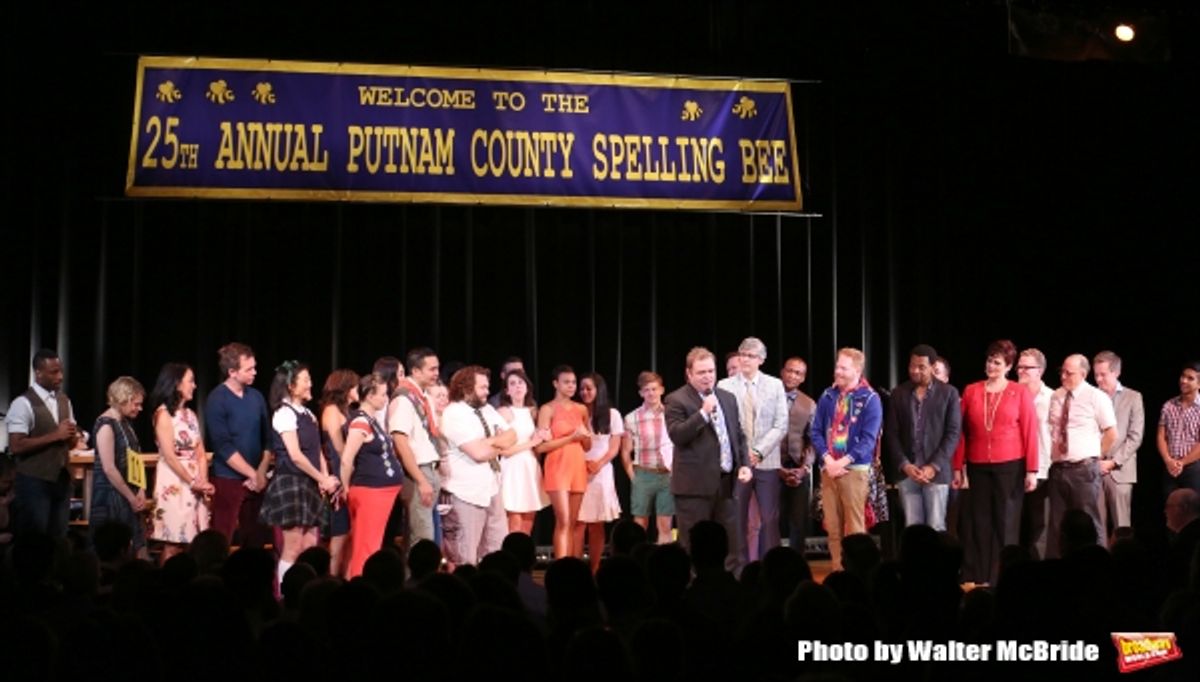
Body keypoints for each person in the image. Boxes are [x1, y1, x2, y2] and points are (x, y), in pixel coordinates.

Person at [951, 340, 1037, 585]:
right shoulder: (971, 390)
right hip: (978, 464)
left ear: (1008, 366)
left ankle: (1005, 577)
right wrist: (958, 466)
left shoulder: (1019, 392)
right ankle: (981, 575)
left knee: (1006, 521)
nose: (992, 366)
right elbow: (961, 432)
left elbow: (1030, 431)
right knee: (980, 520)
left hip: (1010, 464)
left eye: (997, 362)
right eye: (989, 360)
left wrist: (1031, 469)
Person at [665, 347, 747, 572]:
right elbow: (678, 435)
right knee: (693, 547)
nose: (708, 376)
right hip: (694, 488)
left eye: (711, 371)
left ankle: (732, 591)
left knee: (731, 545)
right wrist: (702, 414)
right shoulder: (676, 399)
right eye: (701, 372)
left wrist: (744, 465)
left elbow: (738, 436)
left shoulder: (727, 398)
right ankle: (693, 593)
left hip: (725, 484)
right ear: (689, 374)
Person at [259, 361, 341, 584]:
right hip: (291, 483)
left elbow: (318, 452)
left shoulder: (307, 414)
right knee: (293, 546)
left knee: (308, 546)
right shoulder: (284, 414)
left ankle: (306, 589)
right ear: (291, 386)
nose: (310, 384)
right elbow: (295, 455)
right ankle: (286, 593)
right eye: (305, 380)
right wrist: (321, 478)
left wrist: (325, 478)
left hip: (310, 483)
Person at [718, 337, 788, 568]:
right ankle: (740, 568)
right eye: (742, 354)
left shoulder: (775, 384)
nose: (745, 359)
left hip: (766, 461)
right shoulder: (724, 386)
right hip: (739, 463)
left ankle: (772, 567)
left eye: (751, 355)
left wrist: (758, 451)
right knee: (737, 517)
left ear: (761, 360)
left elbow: (781, 424)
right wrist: (742, 455)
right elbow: (724, 426)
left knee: (769, 518)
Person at [811, 348, 882, 571]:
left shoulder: (870, 398)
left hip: (854, 470)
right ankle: (837, 573)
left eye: (843, 368)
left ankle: (859, 575)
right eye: (837, 366)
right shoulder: (827, 395)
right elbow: (815, 432)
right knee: (833, 528)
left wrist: (842, 463)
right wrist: (827, 460)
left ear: (857, 370)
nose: (837, 371)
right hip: (828, 469)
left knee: (855, 528)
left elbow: (869, 441)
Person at [439, 365, 516, 566]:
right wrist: (496, 441)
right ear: (466, 389)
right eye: (482, 387)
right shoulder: (454, 413)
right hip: (466, 495)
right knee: (466, 558)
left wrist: (488, 442)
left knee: (498, 552)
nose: (487, 392)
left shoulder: (488, 410)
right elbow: (479, 454)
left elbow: (512, 436)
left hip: (492, 489)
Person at [1046, 354, 1117, 558]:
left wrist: (1095, 455)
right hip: (1059, 468)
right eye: (1062, 371)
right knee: (1058, 524)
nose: (1064, 376)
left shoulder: (1096, 397)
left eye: (1069, 373)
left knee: (1090, 520)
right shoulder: (1057, 395)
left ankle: (1098, 567)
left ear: (1083, 374)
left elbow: (1112, 433)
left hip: (1083, 469)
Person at [885, 344, 962, 532]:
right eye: (912, 366)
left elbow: (953, 434)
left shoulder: (949, 393)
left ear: (932, 367)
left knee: (936, 527)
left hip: (936, 473)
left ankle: (936, 563)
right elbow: (891, 433)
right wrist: (904, 464)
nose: (915, 371)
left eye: (921, 367)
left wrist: (933, 466)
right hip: (907, 472)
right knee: (913, 529)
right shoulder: (899, 393)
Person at [5, 349, 80, 539]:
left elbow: (68, 442)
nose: (60, 376)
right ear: (38, 373)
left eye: (61, 371)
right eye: (54, 372)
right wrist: (56, 435)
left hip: (61, 480)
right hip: (34, 481)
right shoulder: (23, 403)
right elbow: (16, 446)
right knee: (36, 538)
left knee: (59, 537)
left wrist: (72, 438)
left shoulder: (65, 401)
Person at [205, 342, 272, 546]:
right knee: (222, 538)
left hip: (256, 481)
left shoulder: (256, 397)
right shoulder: (217, 399)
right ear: (232, 372)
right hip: (228, 479)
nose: (255, 372)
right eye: (249, 369)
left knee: (255, 539)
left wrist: (260, 473)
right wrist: (252, 474)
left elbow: (268, 439)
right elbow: (223, 446)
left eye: (254, 366)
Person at [339, 372, 403, 578]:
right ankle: (361, 586)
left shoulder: (371, 420)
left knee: (370, 544)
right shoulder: (361, 422)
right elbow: (347, 459)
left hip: (381, 493)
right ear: (369, 396)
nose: (385, 399)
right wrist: (346, 488)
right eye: (383, 395)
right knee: (367, 546)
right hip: (370, 492)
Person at [149, 363, 214, 562]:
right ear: (177, 384)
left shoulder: (191, 416)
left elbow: (200, 452)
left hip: (194, 481)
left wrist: (202, 480)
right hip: (174, 480)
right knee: (174, 541)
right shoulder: (163, 415)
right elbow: (169, 456)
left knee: (193, 541)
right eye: (190, 381)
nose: (194, 386)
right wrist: (192, 481)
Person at [535, 365, 592, 559]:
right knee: (564, 521)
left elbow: (588, 446)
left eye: (573, 382)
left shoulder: (581, 409)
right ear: (555, 384)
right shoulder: (547, 409)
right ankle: (560, 568)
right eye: (566, 382)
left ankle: (573, 566)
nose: (571, 386)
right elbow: (540, 447)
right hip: (557, 467)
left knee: (574, 522)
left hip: (577, 466)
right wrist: (571, 437)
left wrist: (584, 436)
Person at [391, 348, 444, 548]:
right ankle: (417, 579)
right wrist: (421, 480)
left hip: (429, 469)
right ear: (416, 371)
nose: (436, 373)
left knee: (426, 536)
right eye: (432, 369)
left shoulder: (423, 397)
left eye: (437, 368)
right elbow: (400, 441)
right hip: (416, 472)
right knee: (421, 538)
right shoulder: (403, 398)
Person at [91, 376, 149, 558]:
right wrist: (131, 497)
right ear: (123, 399)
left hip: (130, 492)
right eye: (136, 404)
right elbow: (109, 468)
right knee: (114, 549)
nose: (140, 408)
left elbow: (135, 458)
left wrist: (140, 489)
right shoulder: (106, 425)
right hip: (112, 495)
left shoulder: (125, 424)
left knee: (139, 543)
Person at [576, 372, 624, 573]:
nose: (584, 392)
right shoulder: (577, 412)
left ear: (599, 390)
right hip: (578, 469)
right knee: (578, 523)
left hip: (601, 471)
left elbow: (614, 447)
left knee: (596, 524)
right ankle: (576, 568)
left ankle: (595, 569)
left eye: (589, 388)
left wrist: (599, 463)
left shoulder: (612, 414)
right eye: (582, 388)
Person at [1093, 351, 1144, 537]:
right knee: (1097, 527)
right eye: (1096, 374)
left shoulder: (1133, 397)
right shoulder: (1092, 396)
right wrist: (1096, 460)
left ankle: (1124, 563)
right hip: (1095, 469)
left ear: (1116, 372)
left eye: (1103, 374)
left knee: (1121, 528)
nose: (1098, 379)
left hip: (1120, 472)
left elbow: (1135, 436)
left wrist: (1113, 462)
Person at [620, 371, 675, 543]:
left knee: (665, 524)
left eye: (654, 389)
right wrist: (633, 477)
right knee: (640, 524)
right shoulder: (632, 418)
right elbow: (625, 451)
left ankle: (664, 563)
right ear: (641, 393)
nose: (651, 393)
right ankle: (639, 562)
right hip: (643, 473)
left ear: (662, 390)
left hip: (667, 474)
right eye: (646, 390)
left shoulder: (671, 414)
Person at [496, 369, 549, 534]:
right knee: (514, 520)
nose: (517, 387)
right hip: (512, 467)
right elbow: (504, 451)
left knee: (528, 519)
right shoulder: (503, 412)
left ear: (527, 387)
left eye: (521, 382)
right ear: (507, 390)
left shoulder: (533, 411)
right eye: (512, 383)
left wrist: (544, 436)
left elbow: (542, 437)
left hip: (530, 466)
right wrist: (531, 443)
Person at [318, 368, 359, 576]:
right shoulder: (332, 410)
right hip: (339, 475)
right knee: (340, 533)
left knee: (350, 532)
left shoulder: (348, 411)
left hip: (350, 473)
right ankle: (332, 577)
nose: (357, 389)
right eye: (354, 385)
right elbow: (339, 447)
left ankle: (346, 575)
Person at [1016, 348, 1054, 559]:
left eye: (1027, 367)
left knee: (1040, 521)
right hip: (1013, 466)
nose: (1021, 371)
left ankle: (1040, 567)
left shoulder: (1051, 397)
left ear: (1039, 371)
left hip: (1043, 468)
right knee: (1014, 520)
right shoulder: (1010, 394)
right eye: (1019, 367)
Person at [779, 356, 815, 551]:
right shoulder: (768, 397)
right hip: (772, 467)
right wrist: (777, 468)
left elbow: (813, 440)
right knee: (771, 520)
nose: (793, 376)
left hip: (798, 468)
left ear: (803, 378)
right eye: (790, 371)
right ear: (782, 372)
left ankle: (797, 564)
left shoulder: (809, 404)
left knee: (798, 522)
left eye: (798, 373)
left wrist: (804, 468)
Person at [1158, 361, 1200, 495]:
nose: (1184, 381)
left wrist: (1182, 462)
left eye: (1190, 378)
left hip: (1193, 468)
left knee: (1193, 511)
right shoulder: (1168, 406)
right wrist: (1168, 460)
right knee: (1172, 510)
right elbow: (1161, 436)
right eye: (1183, 376)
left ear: (1199, 384)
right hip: (1171, 468)